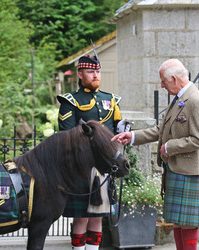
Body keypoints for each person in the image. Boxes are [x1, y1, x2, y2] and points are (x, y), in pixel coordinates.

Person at [112, 59, 199, 250]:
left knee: (188, 222)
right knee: (178, 221)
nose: (162, 85)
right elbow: (160, 129)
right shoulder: (179, 98)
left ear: (174, 78)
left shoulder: (196, 101)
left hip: (188, 170)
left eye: (163, 81)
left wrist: (170, 146)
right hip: (176, 168)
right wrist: (131, 136)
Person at [57, 48, 122, 250]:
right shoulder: (70, 101)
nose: (96, 75)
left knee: (98, 218)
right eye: (91, 72)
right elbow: (66, 136)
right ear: (80, 74)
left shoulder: (111, 100)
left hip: (104, 168)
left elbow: (118, 131)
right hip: (80, 168)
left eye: (98, 72)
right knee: (81, 218)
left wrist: (124, 131)